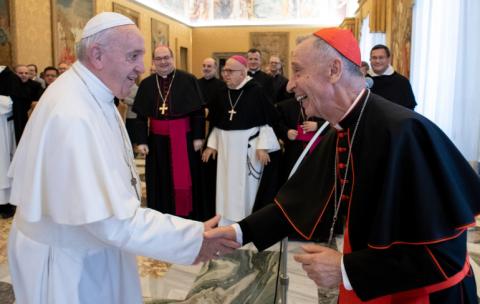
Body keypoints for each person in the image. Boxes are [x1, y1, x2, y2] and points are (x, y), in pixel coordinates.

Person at [206, 28, 480, 303]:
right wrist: (235, 233)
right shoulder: (342, 128)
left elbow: (442, 257)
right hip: (372, 290)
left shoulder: (404, 133)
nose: (290, 85)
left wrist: (345, 269)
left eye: (298, 71)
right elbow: (296, 204)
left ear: (334, 70)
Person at [7, 12, 239, 304]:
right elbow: (110, 220)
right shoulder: (73, 113)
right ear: (98, 55)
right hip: (69, 264)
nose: (141, 68)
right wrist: (191, 239)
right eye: (133, 56)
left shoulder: (91, 93)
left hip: (90, 249)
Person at [202, 55, 280, 225]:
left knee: (246, 190)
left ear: (243, 72)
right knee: (225, 187)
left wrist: (263, 146)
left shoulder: (256, 91)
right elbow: (217, 123)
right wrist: (212, 145)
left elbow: (267, 122)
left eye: (230, 71)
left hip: (248, 152)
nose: (226, 75)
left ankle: (246, 224)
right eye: (224, 71)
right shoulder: (221, 92)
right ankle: (224, 222)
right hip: (225, 151)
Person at [133, 45, 205, 220]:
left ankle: (187, 216)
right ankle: (160, 214)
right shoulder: (147, 84)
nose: (163, 62)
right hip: (157, 141)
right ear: (153, 61)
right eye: (159, 59)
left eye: (166, 58)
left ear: (173, 59)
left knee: (186, 179)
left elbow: (198, 112)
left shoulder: (188, 80)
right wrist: (142, 141)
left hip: (184, 139)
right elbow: (140, 116)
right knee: (159, 178)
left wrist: (198, 136)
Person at [197, 57, 226, 220]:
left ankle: (211, 208)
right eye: (204, 66)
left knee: (211, 173)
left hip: (214, 133)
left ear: (215, 68)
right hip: (197, 132)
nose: (206, 68)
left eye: (209, 66)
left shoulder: (221, 86)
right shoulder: (195, 83)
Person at [0, 65, 31, 219]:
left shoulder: (9, 77)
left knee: (3, 165)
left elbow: (13, 103)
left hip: (3, 128)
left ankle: (5, 203)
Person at [275, 96, 325, 184]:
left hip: (318, 155)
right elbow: (275, 124)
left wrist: (318, 125)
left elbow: (335, 124)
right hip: (293, 155)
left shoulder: (324, 103)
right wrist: (287, 132)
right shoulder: (286, 106)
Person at [367, 44, 417, 110]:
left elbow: (409, 110)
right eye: (374, 58)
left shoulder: (402, 82)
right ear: (370, 60)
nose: (377, 61)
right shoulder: (363, 80)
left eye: (381, 57)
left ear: (388, 59)